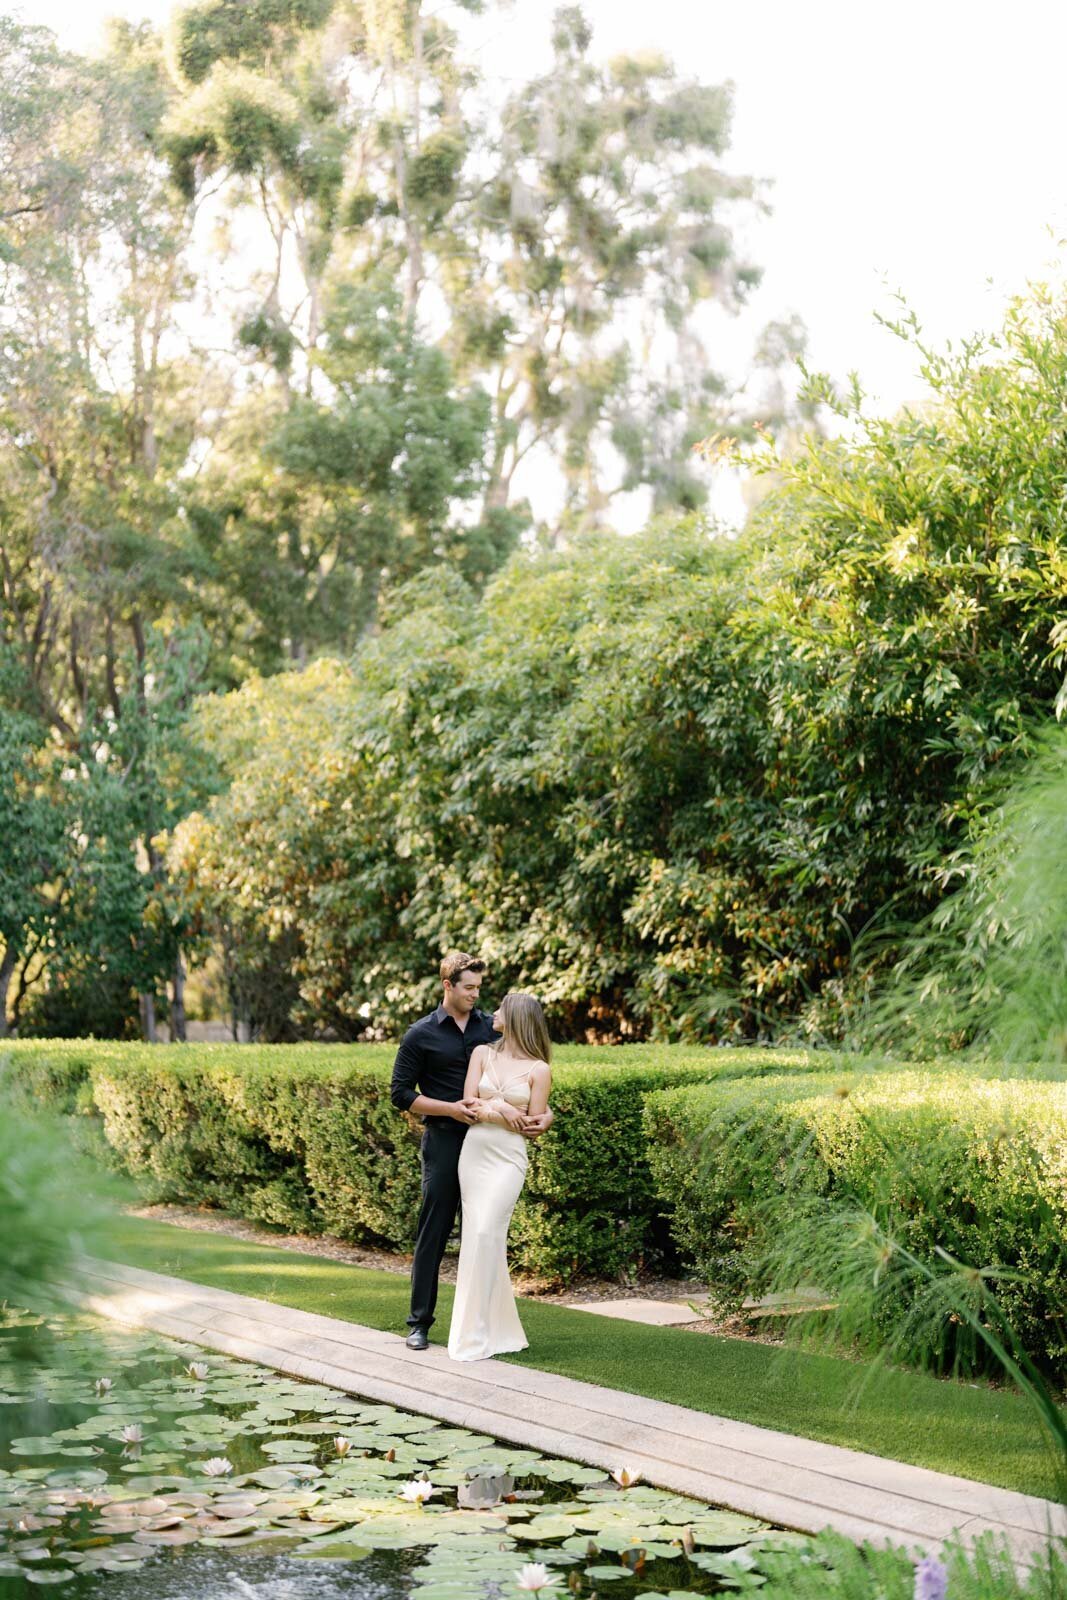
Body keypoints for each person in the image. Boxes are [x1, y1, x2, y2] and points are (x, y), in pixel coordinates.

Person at [390, 952, 553, 1350]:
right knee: (435, 1229)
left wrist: (547, 1114)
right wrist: (450, 1109)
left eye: (479, 988)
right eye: (469, 988)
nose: (476, 996)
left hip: (494, 1145)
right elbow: (399, 1094)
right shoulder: (420, 1034)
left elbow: (524, 1077)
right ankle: (419, 1323)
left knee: (483, 1233)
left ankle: (483, 1326)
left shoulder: (492, 1028)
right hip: (447, 1141)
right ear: (448, 985)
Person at [447, 991, 552, 1362]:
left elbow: (530, 1125)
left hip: (508, 1158)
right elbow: (468, 1104)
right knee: (478, 1238)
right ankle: (489, 1331)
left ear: (518, 1018)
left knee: (487, 1232)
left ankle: (480, 1332)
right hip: (474, 1152)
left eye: (502, 1010)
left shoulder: (539, 1070)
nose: (493, 1012)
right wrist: (501, 1109)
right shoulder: (482, 1054)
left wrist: (507, 1112)